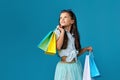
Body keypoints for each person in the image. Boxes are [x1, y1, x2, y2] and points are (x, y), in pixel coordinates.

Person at [54, 9, 93, 80]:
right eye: (61, 18)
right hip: (64, 68)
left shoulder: (73, 35)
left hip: (75, 66)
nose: (62, 19)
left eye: (65, 17)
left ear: (72, 21)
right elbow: (58, 47)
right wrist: (62, 32)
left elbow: (74, 54)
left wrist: (86, 49)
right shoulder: (57, 32)